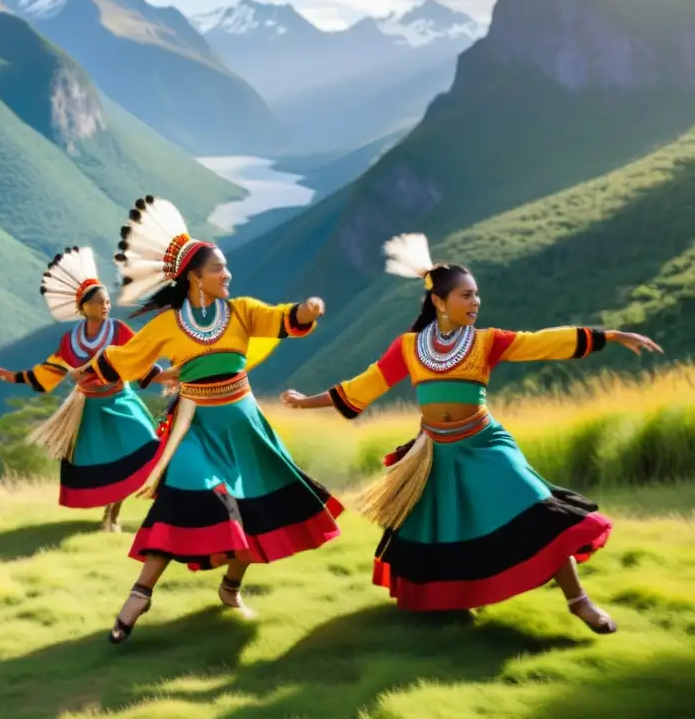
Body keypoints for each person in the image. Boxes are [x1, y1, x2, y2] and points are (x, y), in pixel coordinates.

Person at [280, 233, 663, 634]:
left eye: (476, 295)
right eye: (466, 295)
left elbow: (542, 343)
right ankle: (454, 605)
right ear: (439, 302)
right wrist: (307, 402)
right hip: (435, 452)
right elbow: (366, 386)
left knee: (536, 509)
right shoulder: (410, 347)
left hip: (484, 443)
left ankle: (579, 601)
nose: (475, 302)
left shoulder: (487, 341)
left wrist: (608, 336)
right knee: (445, 529)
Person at [69, 195, 344, 644]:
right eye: (218, 269)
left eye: (226, 267)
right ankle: (140, 594)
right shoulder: (168, 324)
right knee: (184, 501)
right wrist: (88, 374)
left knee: (254, 512)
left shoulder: (241, 311)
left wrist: (306, 311)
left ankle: (231, 589)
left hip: (246, 429)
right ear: (195, 278)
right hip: (195, 429)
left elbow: (283, 319)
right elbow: (126, 358)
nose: (226, 274)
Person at [0, 246, 178, 532]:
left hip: (121, 403)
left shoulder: (119, 331)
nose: (106, 306)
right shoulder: (69, 341)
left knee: (144, 448)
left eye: (108, 301)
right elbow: (48, 372)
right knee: (105, 465)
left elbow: (140, 361)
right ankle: (108, 515)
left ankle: (114, 514)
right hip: (89, 411)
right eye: (99, 302)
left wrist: (168, 377)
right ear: (84, 307)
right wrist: (9, 376)